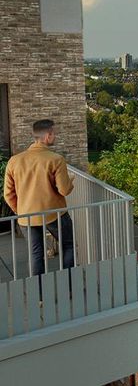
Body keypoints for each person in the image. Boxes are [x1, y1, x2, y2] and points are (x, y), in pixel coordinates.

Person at [3, 119, 75, 278]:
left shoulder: (14, 161)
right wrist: (70, 181)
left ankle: (39, 291)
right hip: (54, 214)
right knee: (68, 246)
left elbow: (8, 194)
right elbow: (64, 190)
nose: (55, 136)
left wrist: (20, 211)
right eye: (54, 133)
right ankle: (69, 285)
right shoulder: (55, 159)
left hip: (27, 216)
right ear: (48, 136)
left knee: (36, 254)